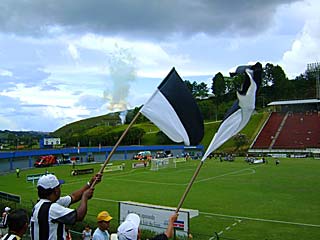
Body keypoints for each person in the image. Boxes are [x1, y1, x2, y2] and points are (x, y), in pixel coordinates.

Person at [30, 173, 102, 240]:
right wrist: (85, 197)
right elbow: (79, 216)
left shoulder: (38, 205)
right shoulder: (52, 208)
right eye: (59, 187)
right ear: (56, 190)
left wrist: (91, 183)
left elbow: (73, 197)